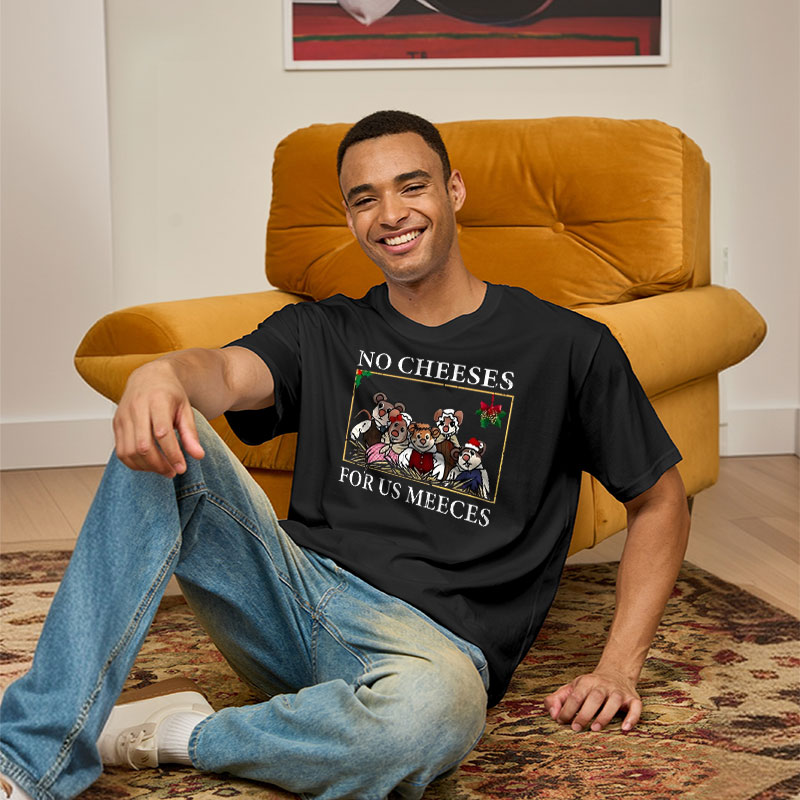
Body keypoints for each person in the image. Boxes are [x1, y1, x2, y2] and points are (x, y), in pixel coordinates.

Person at [0, 110, 691, 800]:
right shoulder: (322, 328)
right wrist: (165, 374)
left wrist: (618, 667)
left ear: (453, 190)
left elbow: (659, 499)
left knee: (433, 718)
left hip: (432, 648)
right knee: (166, 427)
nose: (390, 214)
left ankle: (182, 734)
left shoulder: (567, 347)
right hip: (293, 596)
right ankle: (28, 760)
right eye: (365, 199)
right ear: (351, 218)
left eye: (411, 186)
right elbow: (227, 372)